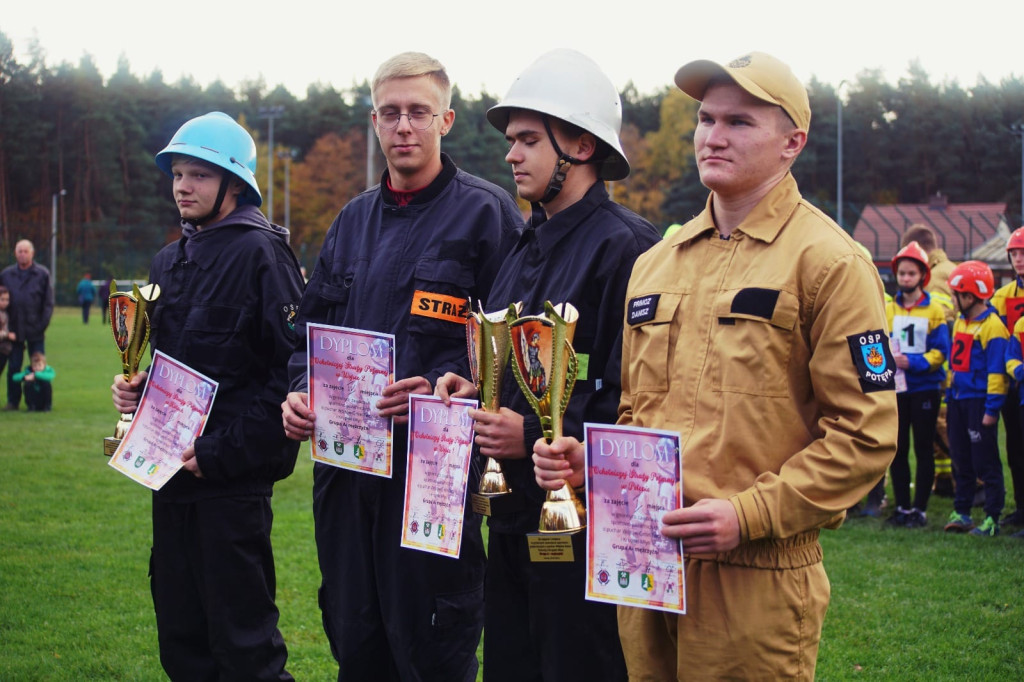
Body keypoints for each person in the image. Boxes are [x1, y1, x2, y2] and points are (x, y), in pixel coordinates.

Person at [533, 51, 897, 679]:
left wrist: (746, 516)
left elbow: (866, 435)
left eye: (739, 122)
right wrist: (591, 465)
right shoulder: (656, 262)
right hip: (645, 567)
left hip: (755, 576)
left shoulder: (832, 263)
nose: (714, 136)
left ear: (793, 142)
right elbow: (634, 410)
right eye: (705, 119)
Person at [280, 52, 522, 681]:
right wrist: (302, 390)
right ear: (374, 122)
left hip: (432, 475)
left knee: (429, 644)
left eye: (419, 112)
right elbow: (308, 332)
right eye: (391, 113)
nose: (405, 126)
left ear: (446, 119)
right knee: (353, 636)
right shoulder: (351, 221)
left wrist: (464, 385)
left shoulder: (488, 215)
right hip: (345, 472)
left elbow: (516, 348)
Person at [435, 49, 660, 682]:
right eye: (512, 141)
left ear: (581, 145)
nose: (511, 155)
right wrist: (472, 380)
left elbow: (634, 399)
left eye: (529, 140)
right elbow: (516, 363)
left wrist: (530, 438)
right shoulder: (523, 244)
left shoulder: (629, 249)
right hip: (511, 520)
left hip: (585, 535)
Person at [110, 111, 304, 681]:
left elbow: (291, 373)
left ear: (234, 183)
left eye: (198, 174)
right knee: (183, 643)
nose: (182, 186)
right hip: (168, 481)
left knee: (246, 652)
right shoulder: (169, 260)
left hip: (230, 492)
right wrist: (141, 388)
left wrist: (220, 453)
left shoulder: (262, 254)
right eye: (176, 174)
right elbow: (180, 366)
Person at [884, 241, 950, 527]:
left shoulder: (935, 310)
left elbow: (941, 351)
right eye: (902, 273)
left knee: (923, 448)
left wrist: (916, 363)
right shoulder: (887, 308)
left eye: (911, 273)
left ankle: (919, 510)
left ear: (922, 276)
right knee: (897, 449)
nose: (906, 278)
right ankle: (901, 507)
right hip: (897, 390)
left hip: (924, 388)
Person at [943, 260, 1007, 537]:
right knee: (960, 458)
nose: (952, 301)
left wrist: (991, 410)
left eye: (955, 295)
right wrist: (949, 393)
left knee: (986, 461)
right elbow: (954, 364)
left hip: (979, 403)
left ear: (969, 296)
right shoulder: (960, 321)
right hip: (958, 400)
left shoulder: (993, 327)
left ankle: (992, 517)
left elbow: (997, 373)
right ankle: (962, 511)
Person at [900, 224, 957, 496]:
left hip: (938, 369)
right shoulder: (952, 270)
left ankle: (968, 480)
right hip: (957, 364)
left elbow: (938, 325)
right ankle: (945, 479)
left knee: (941, 426)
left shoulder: (934, 280)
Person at [990, 225, 1024, 528]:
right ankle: (1020, 507)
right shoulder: (1002, 296)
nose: (1018, 259)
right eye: (1014, 253)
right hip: (1013, 383)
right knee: (1014, 447)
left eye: (1022, 253)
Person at [0, 239, 54, 411]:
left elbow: (48, 303)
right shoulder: (6, 274)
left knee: (39, 367)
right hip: (14, 330)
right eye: (19, 251)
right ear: (15, 253)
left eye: (25, 251)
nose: (22, 254)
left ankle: (41, 403)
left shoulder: (42, 274)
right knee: (14, 367)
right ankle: (12, 402)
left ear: (32, 253)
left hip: (35, 330)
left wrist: (41, 326)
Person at [0, 286, 16, 389]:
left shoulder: (5, 313)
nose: (5, 302)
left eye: (7, 299)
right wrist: (7, 335)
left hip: (4, 350)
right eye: (2, 299)